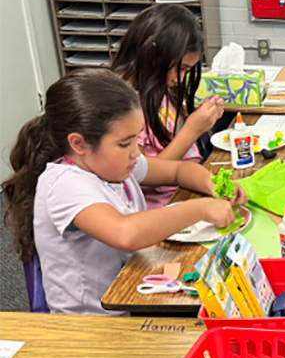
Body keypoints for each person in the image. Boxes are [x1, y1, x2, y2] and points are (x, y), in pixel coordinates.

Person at [1, 69, 244, 316]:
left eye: (136, 139)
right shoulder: (65, 184)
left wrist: (213, 184)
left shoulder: (112, 163)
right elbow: (125, 233)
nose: (136, 152)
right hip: (92, 323)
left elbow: (178, 171)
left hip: (130, 293)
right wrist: (200, 209)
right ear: (79, 144)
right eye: (125, 143)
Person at [112, 3, 224, 209]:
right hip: (166, 205)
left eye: (187, 71)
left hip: (189, 187)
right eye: (180, 69)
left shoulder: (157, 88)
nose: (181, 79)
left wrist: (204, 119)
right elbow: (135, 181)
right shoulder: (124, 106)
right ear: (153, 53)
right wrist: (192, 130)